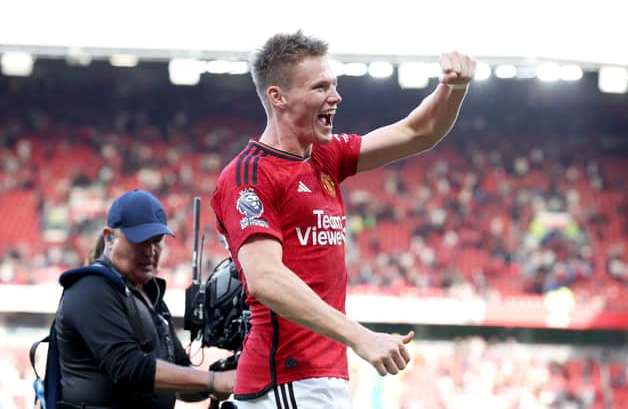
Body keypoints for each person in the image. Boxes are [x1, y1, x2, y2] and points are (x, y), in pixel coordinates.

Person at [211, 30, 475, 407]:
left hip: (319, 379)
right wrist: (360, 336)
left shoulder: (324, 156)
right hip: (286, 383)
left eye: (333, 85)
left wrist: (453, 88)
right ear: (278, 97)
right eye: (321, 88)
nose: (336, 96)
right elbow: (265, 278)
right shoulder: (249, 175)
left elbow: (420, 131)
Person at [55, 189, 236, 408]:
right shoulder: (91, 288)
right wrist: (213, 381)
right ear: (109, 238)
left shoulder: (149, 297)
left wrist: (225, 374)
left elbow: (180, 381)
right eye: (140, 241)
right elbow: (128, 367)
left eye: (157, 241)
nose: (150, 251)